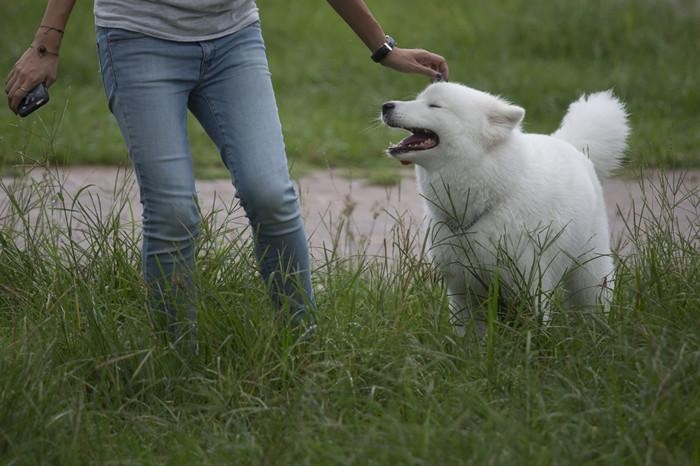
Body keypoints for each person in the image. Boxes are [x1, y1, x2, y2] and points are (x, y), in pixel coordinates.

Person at [4, 0, 449, 345]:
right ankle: (177, 363)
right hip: (136, 41)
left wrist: (383, 47)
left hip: (233, 41)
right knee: (173, 212)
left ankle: (304, 346)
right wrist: (46, 45)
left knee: (271, 194)